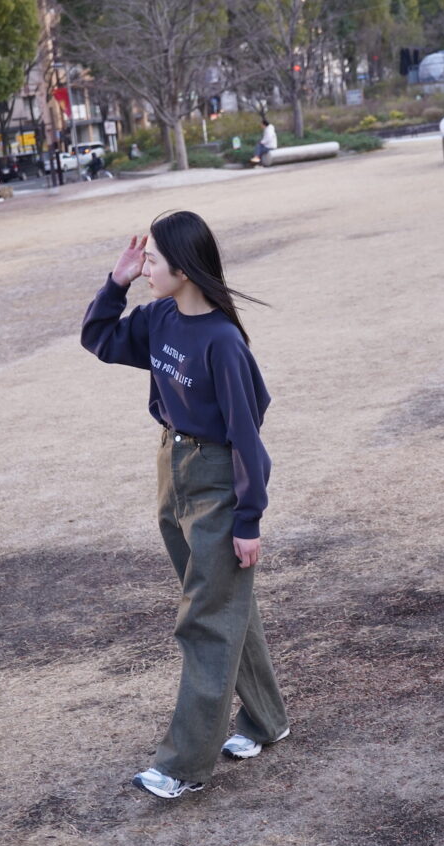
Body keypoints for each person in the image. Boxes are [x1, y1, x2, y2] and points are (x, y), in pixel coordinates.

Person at [81, 210, 289, 800]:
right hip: (173, 468)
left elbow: (248, 435)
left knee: (205, 618)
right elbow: (99, 339)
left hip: (218, 478)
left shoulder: (223, 341)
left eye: (152, 261)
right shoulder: (160, 317)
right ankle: (267, 720)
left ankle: (183, 764)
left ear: (185, 268)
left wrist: (248, 517)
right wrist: (116, 281)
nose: (145, 268)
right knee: (221, 602)